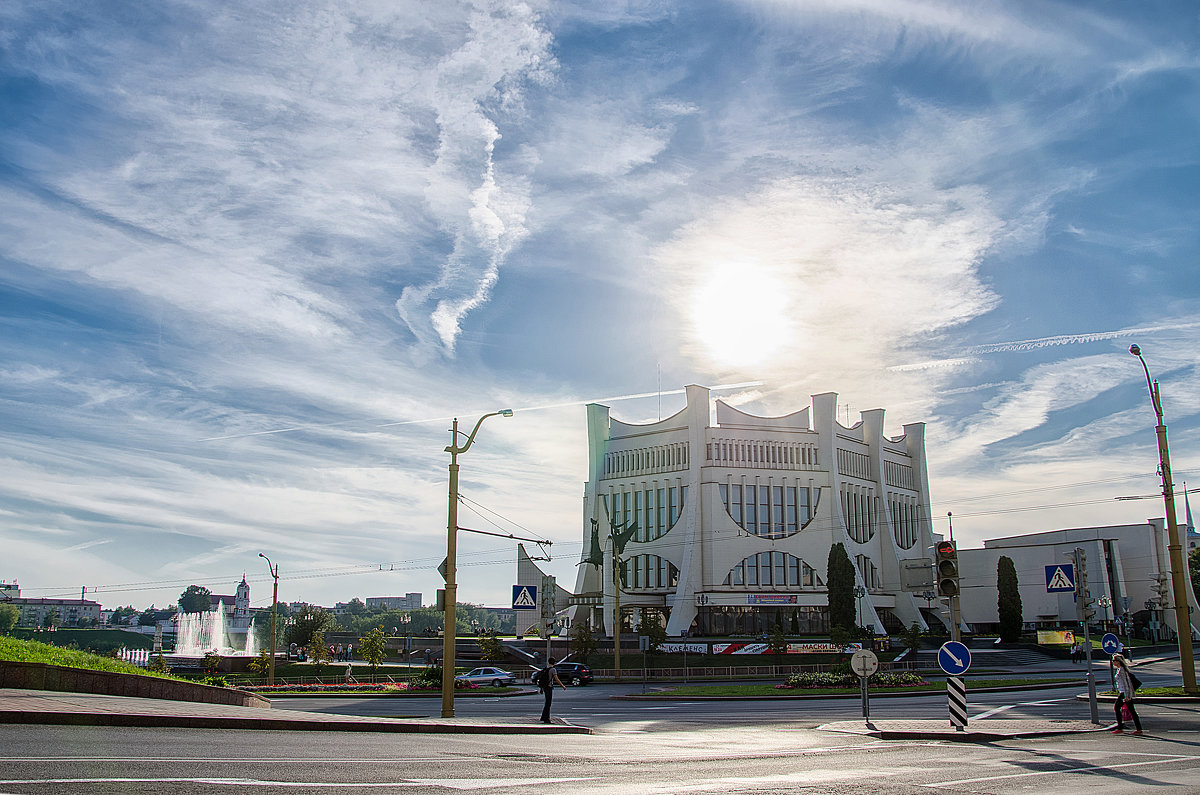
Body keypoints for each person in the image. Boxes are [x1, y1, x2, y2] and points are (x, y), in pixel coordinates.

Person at [1112, 653, 1143, 734]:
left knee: (1117, 708)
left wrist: (1127, 696)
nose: (1113, 662)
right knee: (1131, 710)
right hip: (1124, 693)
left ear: (1118, 661)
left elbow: (1126, 684)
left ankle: (1121, 728)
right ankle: (1138, 729)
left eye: (1114, 660)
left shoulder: (1122, 670)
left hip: (1124, 693)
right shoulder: (1120, 669)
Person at [537, 657, 566, 724]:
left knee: (546, 703)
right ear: (554, 662)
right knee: (548, 703)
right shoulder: (553, 670)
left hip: (544, 687)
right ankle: (546, 719)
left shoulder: (545, 669)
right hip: (549, 687)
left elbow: (543, 679)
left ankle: (544, 717)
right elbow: (556, 679)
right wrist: (563, 686)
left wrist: (541, 688)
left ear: (548, 662)